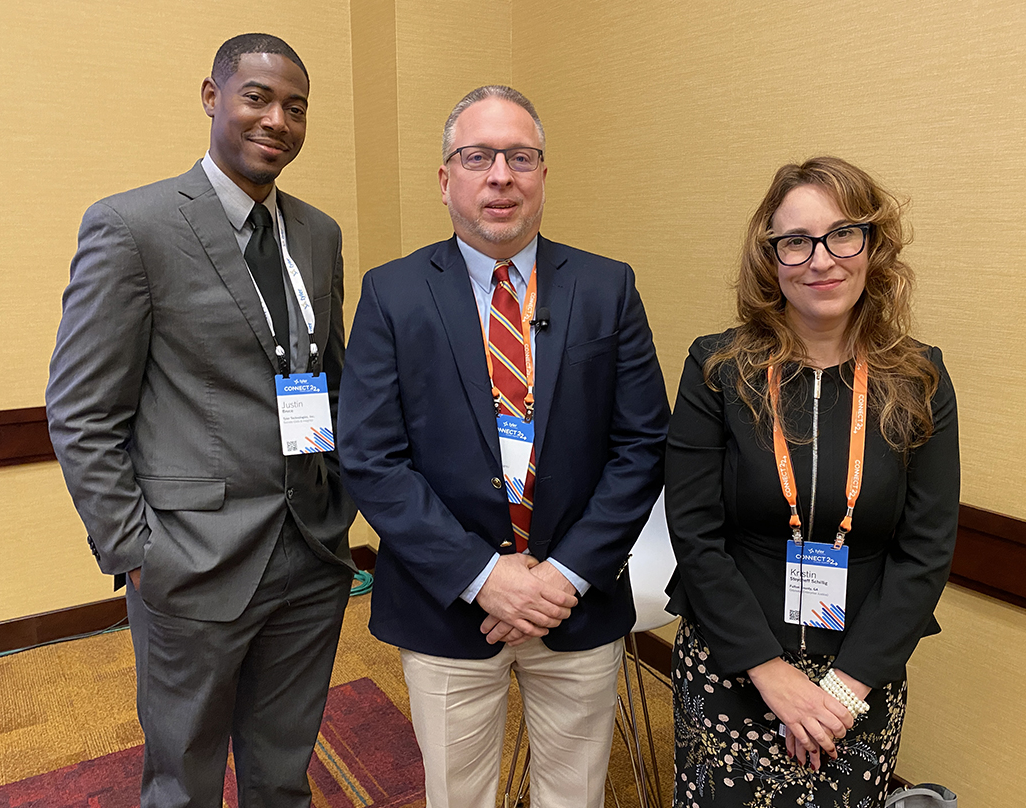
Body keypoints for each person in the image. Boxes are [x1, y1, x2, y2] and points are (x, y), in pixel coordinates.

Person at [45, 33, 356, 808]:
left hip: (310, 552)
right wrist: (134, 549)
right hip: (191, 558)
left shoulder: (317, 234)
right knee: (183, 779)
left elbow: (329, 376)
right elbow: (82, 409)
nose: (276, 120)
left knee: (283, 771)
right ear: (213, 97)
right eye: (256, 97)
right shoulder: (133, 226)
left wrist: (339, 496)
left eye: (295, 107)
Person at [337, 85, 669, 808]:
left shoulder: (606, 288)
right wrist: (483, 575)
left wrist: (563, 578)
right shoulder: (391, 294)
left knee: (572, 795)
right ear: (444, 177)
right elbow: (370, 456)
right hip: (446, 605)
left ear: (542, 174)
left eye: (520, 157)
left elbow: (641, 445)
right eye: (477, 156)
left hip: (573, 605)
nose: (499, 176)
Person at [664, 156, 959, 807]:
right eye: (795, 241)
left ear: (871, 245)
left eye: (841, 234)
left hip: (859, 681)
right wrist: (769, 672)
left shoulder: (918, 381)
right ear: (770, 258)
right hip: (732, 667)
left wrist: (844, 687)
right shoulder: (717, 370)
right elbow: (694, 532)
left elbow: (926, 548)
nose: (820, 259)